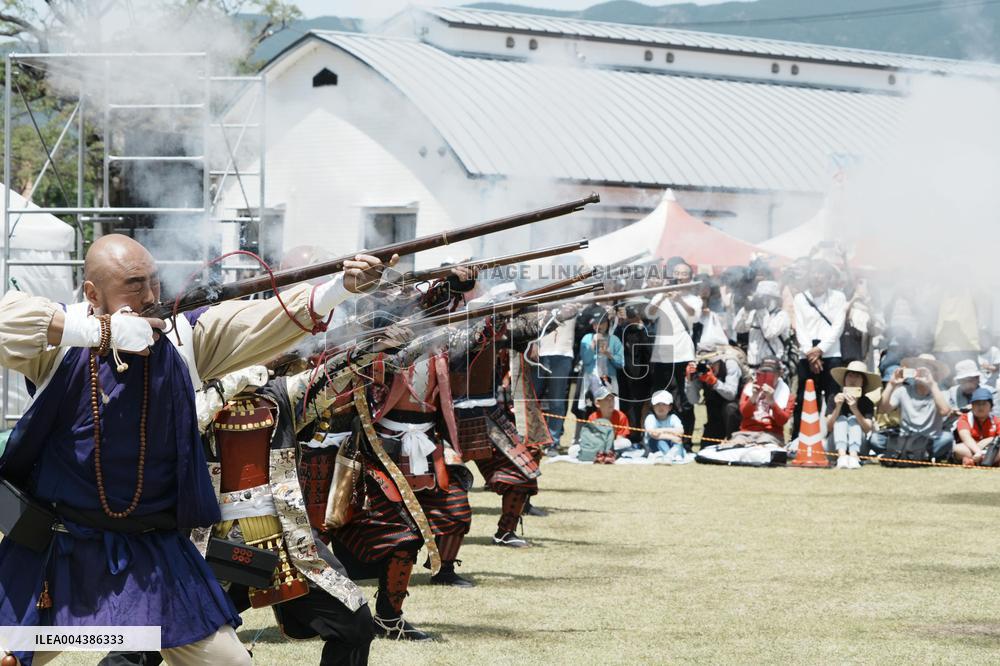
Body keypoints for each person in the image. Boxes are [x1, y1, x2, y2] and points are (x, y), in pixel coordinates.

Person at [0, 234, 388, 665]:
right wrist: (100, 332)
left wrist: (340, 288)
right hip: (62, 548)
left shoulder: (184, 337)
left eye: (154, 282)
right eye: (134, 285)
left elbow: (260, 318)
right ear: (93, 294)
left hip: (154, 555)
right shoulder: (61, 339)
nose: (150, 297)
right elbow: (5, 320)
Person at [644, 260, 701, 439]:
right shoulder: (661, 295)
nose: (680, 277)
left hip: (683, 352)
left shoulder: (694, 299)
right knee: (660, 396)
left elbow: (694, 316)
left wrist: (679, 300)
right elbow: (649, 314)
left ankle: (686, 438)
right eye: (677, 274)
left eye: (684, 274)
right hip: (662, 355)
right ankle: (658, 436)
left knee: (684, 398)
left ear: (690, 278)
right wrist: (662, 296)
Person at [791, 261, 848, 438]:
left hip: (831, 352)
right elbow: (800, 328)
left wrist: (820, 349)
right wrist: (811, 354)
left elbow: (838, 326)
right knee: (805, 397)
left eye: (822, 273)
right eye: (815, 273)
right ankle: (799, 439)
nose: (818, 277)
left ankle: (833, 440)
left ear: (828, 277)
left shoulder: (838, 297)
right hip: (807, 353)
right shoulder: (800, 298)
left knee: (833, 397)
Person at [878, 355, 953, 461]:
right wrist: (891, 384)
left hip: (930, 439)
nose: (922, 372)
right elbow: (883, 409)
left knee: (947, 438)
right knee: (875, 439)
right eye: (919, 367)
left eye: (927, 369)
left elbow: (945, 412)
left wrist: (932, 384)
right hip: (906, 438)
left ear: (935, 374)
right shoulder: (903, 390)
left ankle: (905, 453)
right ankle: (919, 455)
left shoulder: (941, 392)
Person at [728, 358, 794, 448]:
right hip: (746, 432)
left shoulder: (786, 393)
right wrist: (754, 397)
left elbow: (782, 421)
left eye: (771, 373)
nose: (767, 376)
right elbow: (744, 414)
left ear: (779, 374)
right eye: (764, 372)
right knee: (734, 446)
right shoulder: (749, 388)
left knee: (763, 448)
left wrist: (772, 401)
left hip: (771, 434)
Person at [827, 361, 880, 469]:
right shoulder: (834, 398)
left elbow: (867, 429)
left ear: (863, 382)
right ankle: (842, 456)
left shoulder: (867, 402)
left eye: (857, 376)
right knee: (841, 419)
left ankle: (853, 456)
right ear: (844, 380)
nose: (853, 379)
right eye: (850, 375)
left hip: (860, 447)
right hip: (835, 446)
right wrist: (838, 407)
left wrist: (855, 409)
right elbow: (829, 427)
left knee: (853, 419)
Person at [613, 304, 654, 443]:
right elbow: (614, 343)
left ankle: (638, 436)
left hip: (641, 376)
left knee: (639, 406)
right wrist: (619, 324)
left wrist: (641, 328)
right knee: (625, 405)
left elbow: (648, 351)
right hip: (623, 374)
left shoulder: (644, 330)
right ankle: (628, 434)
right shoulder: (621, 330)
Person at [684, 347, 742, 445]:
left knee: (730, 408)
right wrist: (690, 381)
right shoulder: (700, 370)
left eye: (711, 363)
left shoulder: (730, 364)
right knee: (706, 446)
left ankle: (733, 438)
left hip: (734, 412)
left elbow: (731, 395)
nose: (709, 367)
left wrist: (714, 382)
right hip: (714, 412)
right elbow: (694, 401)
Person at [733, 280, 790, 369]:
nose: (762, 300)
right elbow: (738, 328)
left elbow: (769, 333)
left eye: (766, 298)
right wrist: (746, 310)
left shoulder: (781, 315)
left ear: (775, 299)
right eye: (760, 297)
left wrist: (762, 310)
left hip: (773, 367)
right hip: (752, 366)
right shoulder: (753, 313)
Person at [579, 310, 625, 399]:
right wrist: (593, 343)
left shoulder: (614, 340)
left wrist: (608, 355)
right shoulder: (587, 338)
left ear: (607, 323)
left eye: (601, 323)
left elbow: (621, 364)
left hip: (609, 380)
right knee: (590, 405)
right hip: (591, 378)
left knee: (610, 404)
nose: (598, 326)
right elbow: (585, 361)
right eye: (595, 323)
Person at [953, 387, 1000, 466]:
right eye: (977, 403)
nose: (980, 407)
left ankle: (973, 461)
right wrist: (978, 451)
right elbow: (966, 437)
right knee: (958, 449)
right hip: (970, 449)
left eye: (984, 403)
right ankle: (987, 461)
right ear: (972, 406)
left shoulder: (996, 420)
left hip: (989, 450)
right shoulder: (965, 418)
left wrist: (989, 439)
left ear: (991, 407)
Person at [587, 386, 631, 453]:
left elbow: (620, 438)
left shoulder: (621, 416)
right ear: (597, 403)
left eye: (612, 399)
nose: (611, 402)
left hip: (613, 445)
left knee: (626, 442)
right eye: (606, 399)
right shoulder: (593, 417)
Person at [644, 390, 685, 461]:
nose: (660, 407)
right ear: (653, 407)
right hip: (654, 444)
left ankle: (677, 455)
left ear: (670, 407)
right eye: (658, 404)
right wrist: (671, 437)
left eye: (664, 404)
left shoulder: (673, 417)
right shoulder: (650, 418)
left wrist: (661, 430)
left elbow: (680, 431)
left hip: (672, 442)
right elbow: (653, 434)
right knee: (661, 441)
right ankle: (668, 454)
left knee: (678, 441)